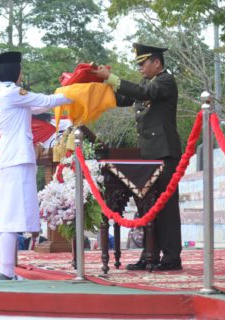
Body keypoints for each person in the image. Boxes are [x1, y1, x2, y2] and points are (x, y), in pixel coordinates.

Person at [93, 43, 182, 271]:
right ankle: (149, 253)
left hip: (164, 152)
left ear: (157, 63)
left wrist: (113, 77)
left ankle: (171, 257)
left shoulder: (165, 81)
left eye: (143, 63)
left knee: (166, 206)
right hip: (148, 154)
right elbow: (126, 98)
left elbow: (145, 94)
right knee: (147, 207)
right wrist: (102, 83)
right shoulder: (146, 83)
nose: (140, 68)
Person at [0, 51, 73, 280]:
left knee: (5, 216)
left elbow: (38, 107)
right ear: (13, 71)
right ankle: (6, 272)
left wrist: (62, 96)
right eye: (20, 69)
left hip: (11, 157)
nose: (22, 73)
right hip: (15, 158)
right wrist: (72, 93)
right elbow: (44, 101)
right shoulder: (12, 93)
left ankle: (6, 271)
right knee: (10, 216)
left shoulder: (7, 93)